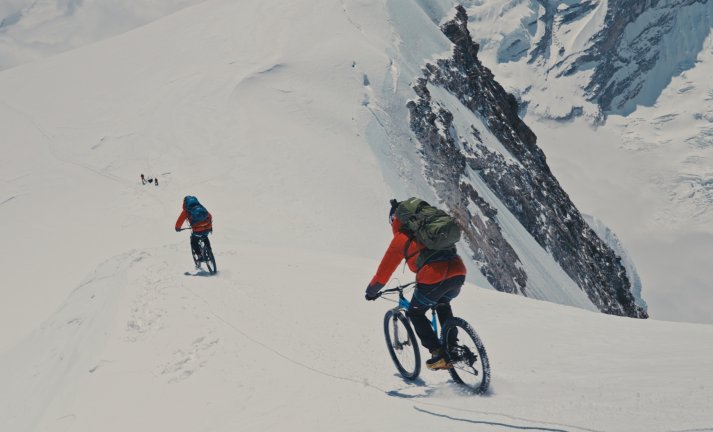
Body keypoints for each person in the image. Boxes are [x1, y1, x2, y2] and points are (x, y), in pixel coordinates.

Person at [365, 199, 467, 370]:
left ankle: (437, 353)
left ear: (396, 220)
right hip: (458, 273)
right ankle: (454, 349)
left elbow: (384, 272)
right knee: (442, 303)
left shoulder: (401, 239)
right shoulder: (430, 231)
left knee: (415, 313)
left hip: (433, 277)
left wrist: (372, 291)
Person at [175, 196, 213, 263]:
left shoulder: (186, 211)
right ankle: (209, 252)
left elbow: (180, 221)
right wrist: (209, 226)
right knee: (205, 237)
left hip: (197, 231)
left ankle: (199, 256)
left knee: (194, 241)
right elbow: (209, 216)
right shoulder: (201, 207)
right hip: (207, 228)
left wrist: (177, 228)